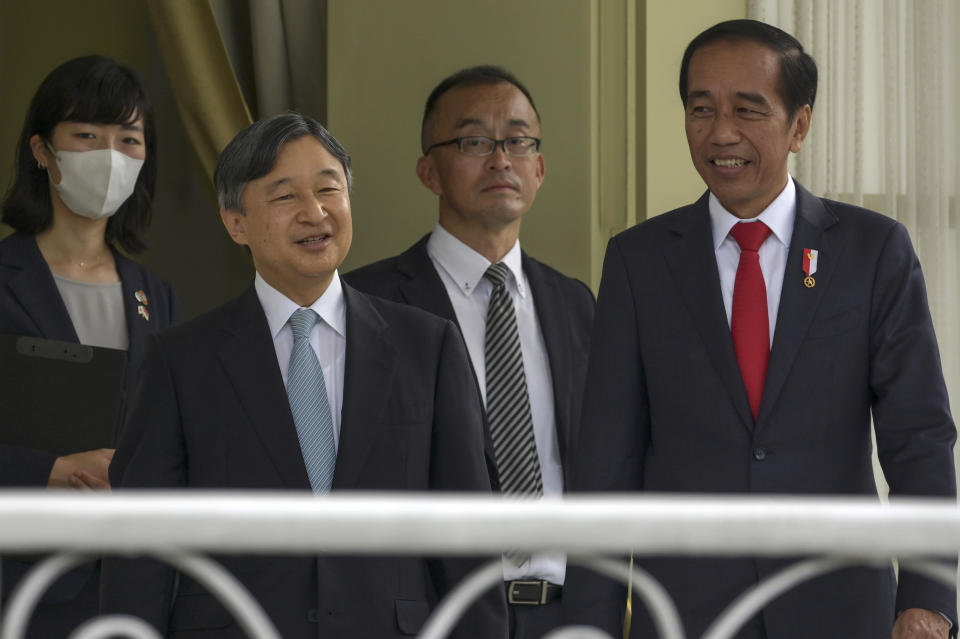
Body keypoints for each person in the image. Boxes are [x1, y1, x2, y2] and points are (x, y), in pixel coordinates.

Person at [564, 19, 956, 639]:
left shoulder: (872, 250)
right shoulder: (639, 261)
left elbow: (920, 438)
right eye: (702, 109)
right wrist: (590, 622)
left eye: (748, 110)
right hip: (687, 612)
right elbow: (606, 462)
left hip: (840, 606)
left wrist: (930, 597)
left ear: (800, 125)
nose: (722, 133)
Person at [100, 113, 508, 638]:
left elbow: (468, 539)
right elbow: (139, 554)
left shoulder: (427, 347)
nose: (315, 212)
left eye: (328, 189)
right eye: (285, 196)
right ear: (235, 222)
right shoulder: (181, 362)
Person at [345, 65, 594, 639]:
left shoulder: (577, 304)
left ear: (540, 167)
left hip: (567, 615)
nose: (500, 159)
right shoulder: (369, 304)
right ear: (428, 171)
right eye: (474, 141)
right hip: (432, 615)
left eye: (518, 140)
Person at [0, 55, 177, 637]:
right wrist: (49, 469)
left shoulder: (156, 295)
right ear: (41, 150)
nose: (109, 155)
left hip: (130, 586)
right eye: (86, 135)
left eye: (129, 139)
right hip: (19, 581)